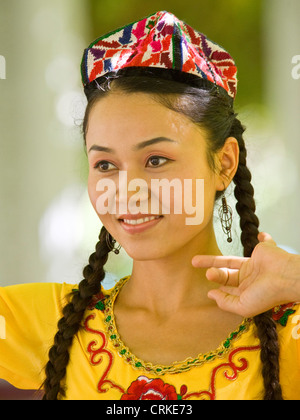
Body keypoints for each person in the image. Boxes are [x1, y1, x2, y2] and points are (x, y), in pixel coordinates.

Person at [0, 11, 299, 401]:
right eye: (105, 164)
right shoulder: (38, 319)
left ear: (225, 163)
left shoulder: (287, 331)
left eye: (156, 160)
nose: (128, 190)